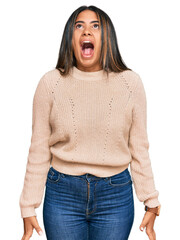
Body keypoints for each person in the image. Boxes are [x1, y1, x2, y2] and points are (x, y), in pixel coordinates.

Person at [19, 5, 161, 240]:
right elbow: (38, 149)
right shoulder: (50, 83)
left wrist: (151, 200)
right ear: (70, 37)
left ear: (107, 36)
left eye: (95, 25)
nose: (87, 32)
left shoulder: (130, 84)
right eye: (79, 26)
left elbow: (139, 148)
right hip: (62, 194)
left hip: (115, 196)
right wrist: (27, 205)